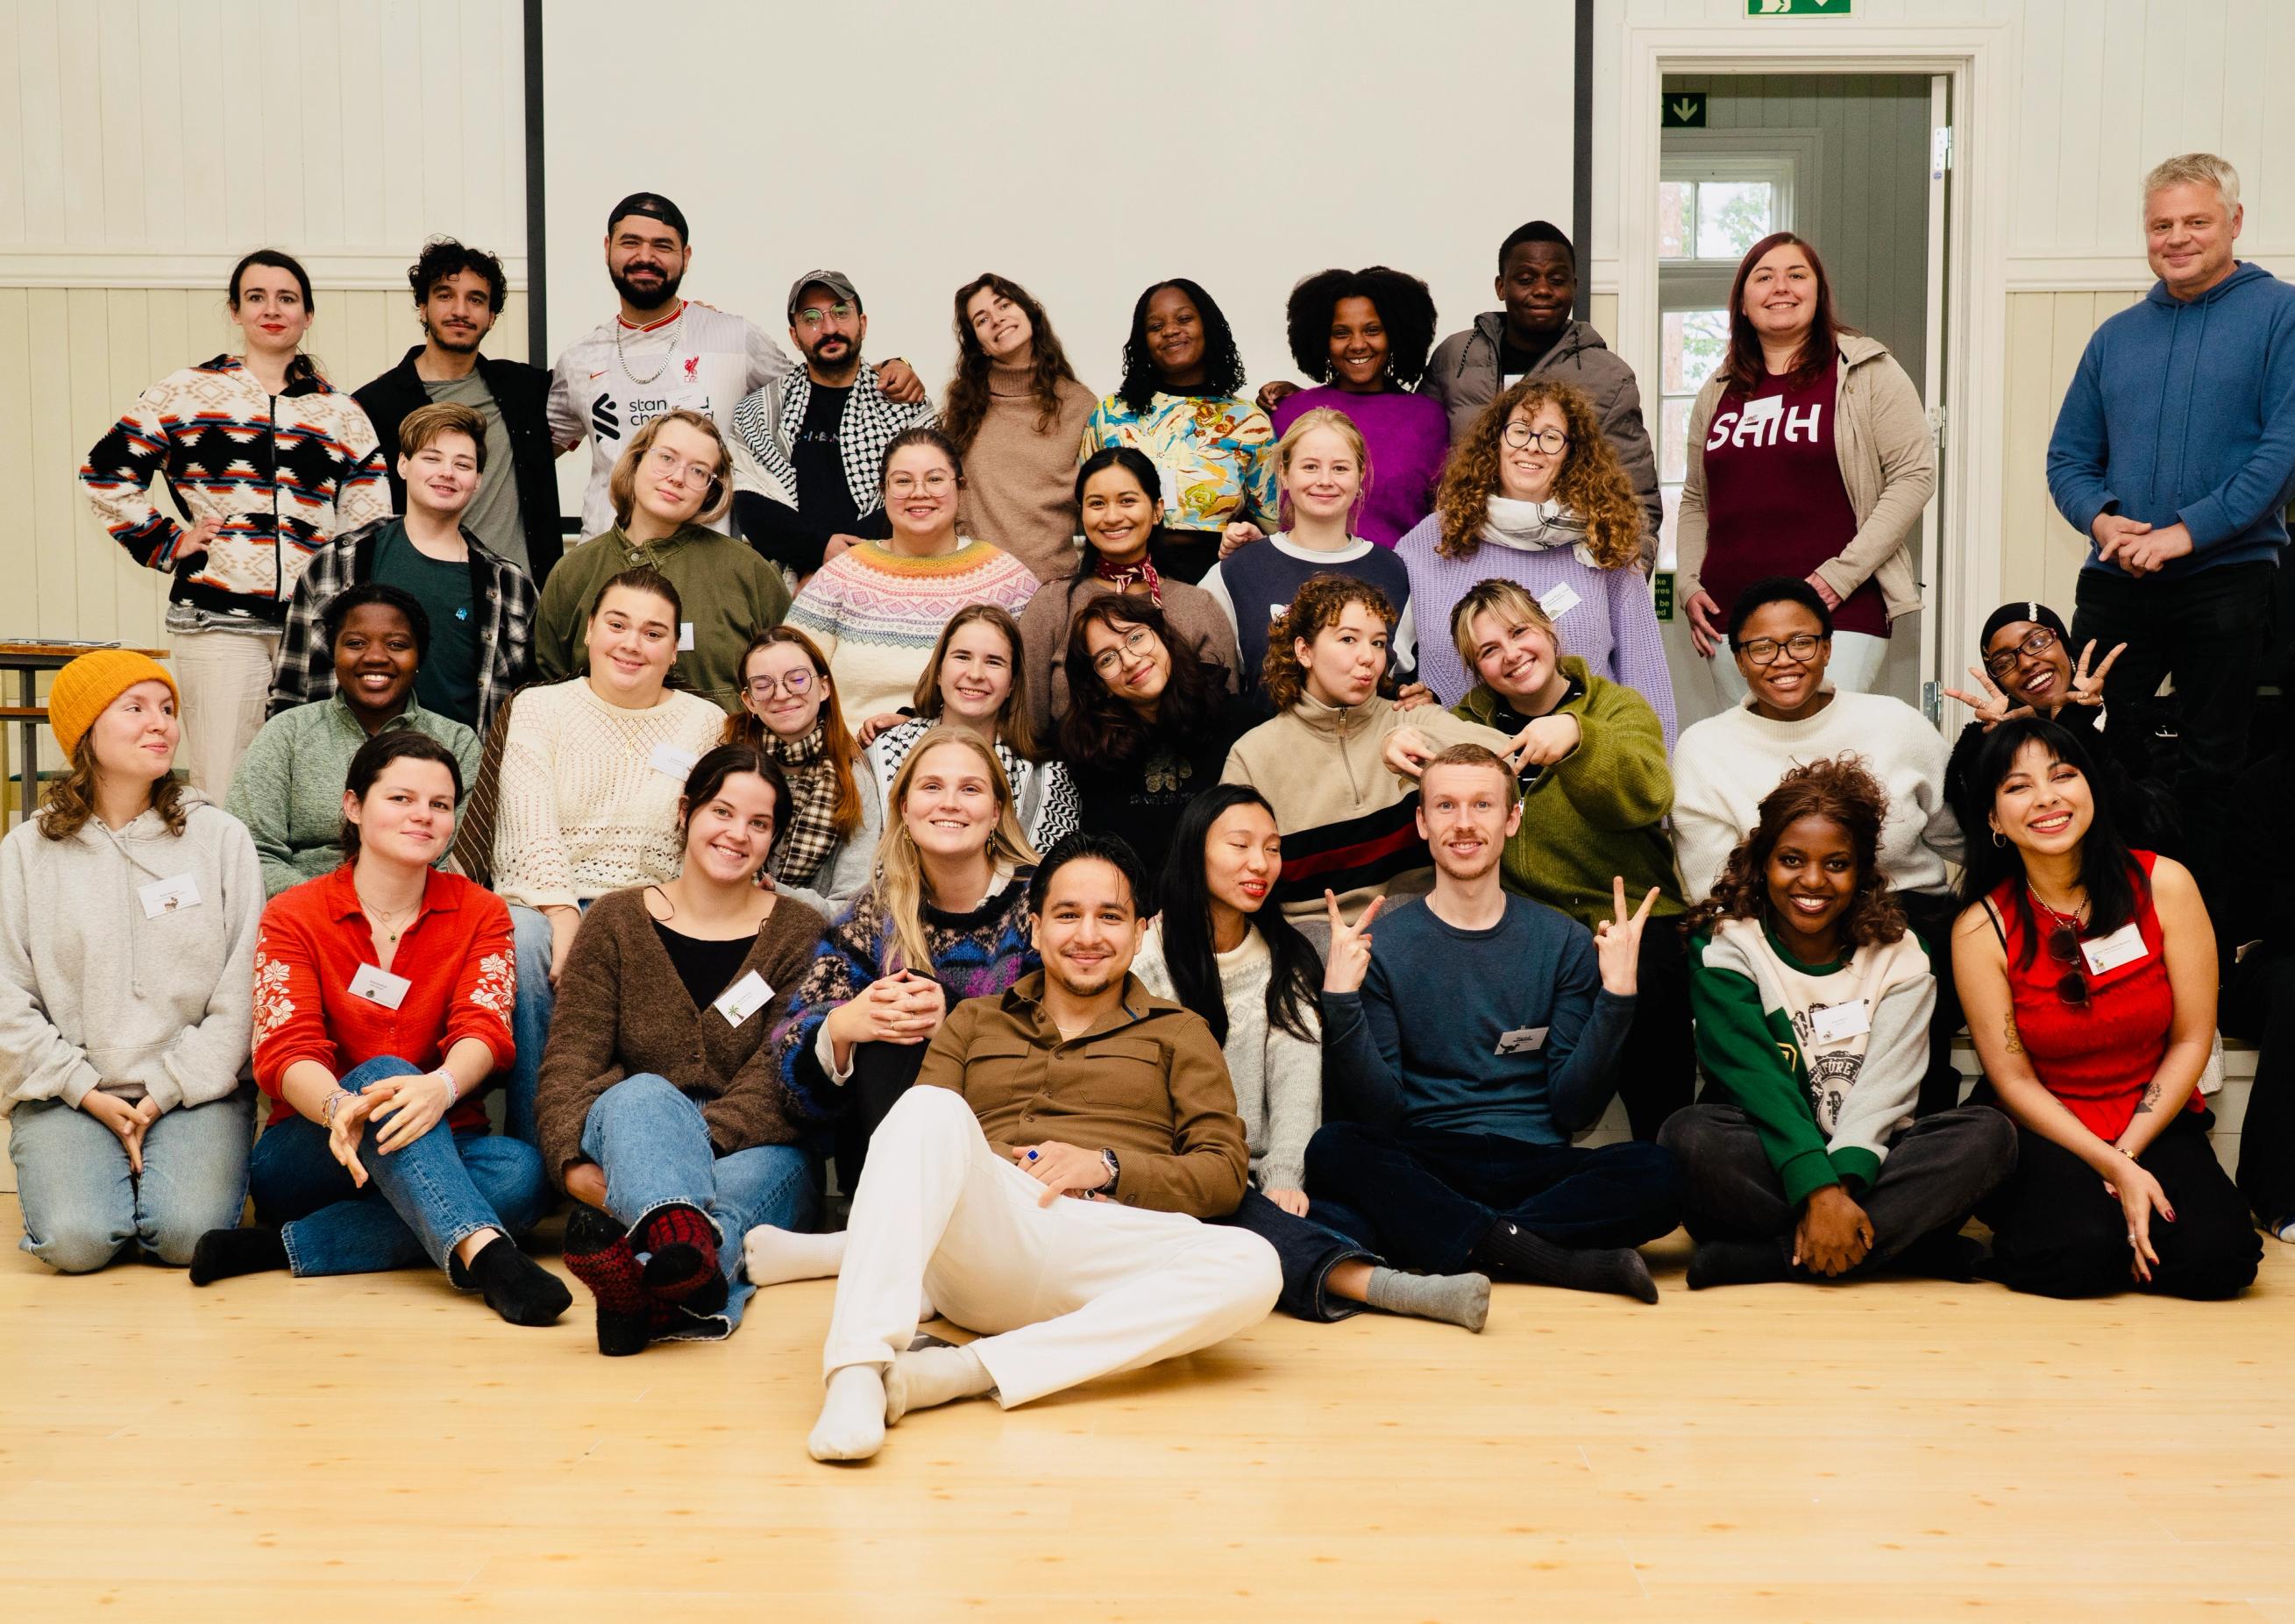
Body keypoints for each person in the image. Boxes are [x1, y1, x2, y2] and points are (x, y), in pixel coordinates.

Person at [792, 829, 1281, 1463]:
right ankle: (857, 1370)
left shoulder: (1182, 1031)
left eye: (1110, 916)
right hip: (989, 1237)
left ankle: (965, 1371)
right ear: (1036, 924)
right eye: (1067, 914)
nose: (1087, 935)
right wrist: (999, 1165)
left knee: (1254, 1263)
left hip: (1108, 1248)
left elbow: (1221, 1172)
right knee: (928, 1105)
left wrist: (1107, 1166)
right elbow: (920, 1139)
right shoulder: (975, 1019)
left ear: (1140, 931)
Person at [190, 731, 569, 1327]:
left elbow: (486, 1029)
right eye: (401, 798)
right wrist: (341, 1105)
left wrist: (441, 1087)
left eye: (440, 804)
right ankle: (487, 1253)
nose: (423, 815)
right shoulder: (294, 912)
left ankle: (284, 1246)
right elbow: (284, 1048)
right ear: (353, 805)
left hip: (437, 1135)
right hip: (317, 1147)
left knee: (521, 1175)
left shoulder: (482, 912)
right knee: (388, 1077)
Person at [1306, 744, 1680, 1301]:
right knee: (1334, 1150)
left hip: (1535, 1159)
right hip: (1429, 1157)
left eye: (1482, 805)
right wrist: (1340, 998)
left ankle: (1472, 1240)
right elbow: (1381, 1112)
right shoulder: (1379, 947)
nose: (1463, 824)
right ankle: (1548, 1256)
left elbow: (1574, 1109)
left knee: (1660, 1172)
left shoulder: (1564, 942)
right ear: (1421, 822)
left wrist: (1619, 994)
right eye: (1446, 806)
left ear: (1512, 819)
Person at [2046, 153, 2295, 933]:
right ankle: (2101, 932)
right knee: (2084, 756)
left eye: (2196, 221)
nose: (2177, 237)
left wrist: (2189, 533)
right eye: (2162, 225)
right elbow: (2067, 460)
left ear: (2235, 224)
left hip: (2228, 579)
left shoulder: (2280, 315)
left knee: (2211, 769)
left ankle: (2202, 949)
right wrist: (2101, 518)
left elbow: (2281, 450)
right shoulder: (2115, 336)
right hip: (2117, 579)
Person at [1134, 787, 1490, 1330]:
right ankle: (1385, 1288)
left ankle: (1274, 1258)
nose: (1261, 864)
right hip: (1183, 1172)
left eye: (1273, 849)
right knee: (1227, 1220)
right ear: (1194, 851)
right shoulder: (1144, 958)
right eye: (1240, 845)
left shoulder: (1287, 958)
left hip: (1261, 1174)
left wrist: (1284, 1177)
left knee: (1350, 1222)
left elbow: (1297, 1080)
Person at [1660, 757, 2017, 1288]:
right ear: (1762, 862)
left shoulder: (1902, 954)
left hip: (1873, 1155)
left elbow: (1889, 1087)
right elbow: (1755, 1081)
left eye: (1836, 863)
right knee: (1688, 1137)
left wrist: (1840, 1186)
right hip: (1768, 1153)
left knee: (1990, 1134)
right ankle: (1902, 1245)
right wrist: (1816, 1190)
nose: (1812, 880)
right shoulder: (1727, 944)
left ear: (1863, 871)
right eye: (1791, 859)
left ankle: (1774, 1258)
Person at [1952, 716, 2262, 1299]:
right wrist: (2111, 1166)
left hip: (2151, 1115)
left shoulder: (2165, 883)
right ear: (1994, 818)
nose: (2046, 797)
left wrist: (2126, 1153)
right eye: (2017, 786)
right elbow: (2012, 1078)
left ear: (2091, 788)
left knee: (2219, 1259)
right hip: (2046, 1125)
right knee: (2081, 1256)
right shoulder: (1980, 927)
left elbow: (2193, 1039)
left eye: (2063, 775)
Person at [537, 744, 828, 1352]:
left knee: (745, 1186)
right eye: (722, 811)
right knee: (645, 1093)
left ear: (775, 838)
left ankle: (638, 1291)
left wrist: (668, 1163)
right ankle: (677, 1273)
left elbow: (782, 1075)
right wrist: (583, 1168)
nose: (737, 834)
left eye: (759, 822)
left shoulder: (799, 932)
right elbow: (570, 1064)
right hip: (629, 1131)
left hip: (759, 1151)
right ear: (686, 811)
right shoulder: (615, 921)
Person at [80, 249, 386, 793]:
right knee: (225, 787)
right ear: (235, 310)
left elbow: (369, 526)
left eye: (287, 298)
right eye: (257, 297)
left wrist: (349, 609)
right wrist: (170, 542)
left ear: (307, 315)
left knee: (317, 788)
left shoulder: (343, 415)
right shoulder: (186, 392)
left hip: (313, 628)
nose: (273, 309)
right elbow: (106, 472)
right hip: (217, 621)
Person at [0, 653, 262, 1273]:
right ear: (87, 729)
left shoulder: (222, 838)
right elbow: (6, 991)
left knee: (183, 1236)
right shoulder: (25, 851)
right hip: (69, 1089)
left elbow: (243, 987)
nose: (162, 724)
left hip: (195, 1090)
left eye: (168, 709)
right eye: (136, 708)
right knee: (77, 1242)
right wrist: (84, 1089)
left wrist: (166, 1090)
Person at [1671, 578, 1965, 1115]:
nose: (1783, 659)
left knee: (1924, 1035)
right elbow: (1712, 889)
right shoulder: (1704, 748)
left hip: (1909, 921)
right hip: (1777, 931)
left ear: (1828, 647)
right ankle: (1782, 1144)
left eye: (1801, 642)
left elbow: (1962, 839)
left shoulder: (1894, 723)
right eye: (1761, 646)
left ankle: (1909, 1148)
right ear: (1737, 659)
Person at [1440, 580, 1688, 1141]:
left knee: (1650, 993)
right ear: (1477, 669)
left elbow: (1649, 793)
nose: (1511, 654)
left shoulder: (1615, 705)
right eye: (1488, 650)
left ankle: (1667, 1170)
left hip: (1629, 915)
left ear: (1550, 632)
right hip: (1529, 925)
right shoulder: (1467, 728)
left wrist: (1580, 736)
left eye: (1520, 631)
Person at [489, 568, 728, 1146]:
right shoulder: (539, 707)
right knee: (523, 943)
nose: (631, 643)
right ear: (591, 630)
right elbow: (527, 819)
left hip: (654, 902)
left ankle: (637, 1144)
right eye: (617, 624)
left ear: (674, 649)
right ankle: (541, 1141)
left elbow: (703, 835)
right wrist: (566, 914)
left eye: (653, 632)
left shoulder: (706, 722)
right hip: (548, 902)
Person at [547, 194, 913, 540]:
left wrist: (886, 367)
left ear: (686, 257)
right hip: (607, 559)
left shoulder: (735, 338)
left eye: (662, 246)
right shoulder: (579, 359)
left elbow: (814, 386)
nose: (646, 256)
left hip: (710, 563)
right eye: (630, 242)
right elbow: (533, 451)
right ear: (608, 248)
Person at [772, 729, 1041, 1192]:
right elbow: (791, 1074)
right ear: (904, 807)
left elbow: (1067, 1038)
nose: (950, 803)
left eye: (970, 789)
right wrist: (841, 1028)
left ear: (996, 812)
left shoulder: (1042, 904)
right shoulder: (873, 912)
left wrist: (955, 1025)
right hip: (886, 1152)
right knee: (895, 1000)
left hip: (1008, 1142)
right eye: (932, 786)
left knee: (910, 998)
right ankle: (898, 1214)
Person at [1677, 231, 1936, 700]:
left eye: (1797, 275)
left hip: (1838, 609)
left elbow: (1915, 475)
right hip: (1731, 618)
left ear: (1818, 293)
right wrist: (1689, 584)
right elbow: (1695, 498)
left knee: (1826, 764)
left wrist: (1840, 577)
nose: (1781, 287)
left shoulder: (1865, 370)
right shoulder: (1717, 389)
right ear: (1741, 302)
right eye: (1764, 277)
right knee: (1754, 763)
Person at [1221, 575, 1530, 934]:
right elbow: (1231, 869)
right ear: (1304, 650)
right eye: (1348, 639)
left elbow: (1510, 761)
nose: (1368, 657)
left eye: (1379, 643)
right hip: (1307, 939)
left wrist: (1415, 738)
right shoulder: (1253, 756)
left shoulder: (1410, 715)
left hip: (1417, 929)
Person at [1396, 378, 1674, 741]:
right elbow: (1380, 658)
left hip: (1584, 769)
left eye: (1551, 437)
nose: (1532, 447)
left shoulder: (1603, 542)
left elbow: (1646, 678)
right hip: (1464, 773)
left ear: (1571, 453)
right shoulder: (1434, 539)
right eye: (1520, 431)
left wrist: (1655, 780)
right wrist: (1400, 696)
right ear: (1496, 440)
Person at [268, 401, 539, 735]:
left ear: (478, 480)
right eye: (432, 458)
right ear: (403, 465)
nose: (447, 473)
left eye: (463, 464)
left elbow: (530, 708)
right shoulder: (337, 563)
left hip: (462, 773)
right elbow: (290, 694)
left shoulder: (510, 586)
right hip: (350, 769)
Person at [532, 408, 791, 714]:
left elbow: (792, 678)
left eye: (698, 471)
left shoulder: (747, 571)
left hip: (726, 756)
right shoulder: (575, 572)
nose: (677, 478)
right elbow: (550, 693)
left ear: (711, 492)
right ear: (637, 460)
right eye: (666, 458)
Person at [230, 583, 480, 897]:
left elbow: (462, 858)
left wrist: (401, 912)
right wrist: (330, 908)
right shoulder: (288, 733)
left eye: (397, 644)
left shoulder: (456, 742)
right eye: (356, 643)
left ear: (419, 656)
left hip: (422, 919)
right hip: (304, 918)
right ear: (333, 652)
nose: (376, 657)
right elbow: (251, 849)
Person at [1420, 221, 1660, 543]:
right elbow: (1421, 470)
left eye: (1557, 280)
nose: (1543, 289)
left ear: (1574, 286)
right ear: (1501, 287)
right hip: (1464, 554)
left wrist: (1621, 586)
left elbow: (1637, 499)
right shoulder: (1455, 357)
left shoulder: (1609, 377)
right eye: (1526, 278)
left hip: (1562, 566)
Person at [785, 427, 1040, 720]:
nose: (919, 493)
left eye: (935, 479)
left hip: (966, 753)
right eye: (903, 481)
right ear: (883, 491)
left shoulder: (1007, 579)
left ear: (960, 487)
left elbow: (1032, 692)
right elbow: (791, 675)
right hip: (850, 757)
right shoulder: (841, 575)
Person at [352, 237, 562, 579]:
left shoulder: (524, 389)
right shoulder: (377, 405)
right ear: (423, 307)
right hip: (424, 594)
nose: (461, 311)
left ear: (492, 316)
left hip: (523, 600)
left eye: (475, 299)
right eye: (445, 296)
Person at [1015, 447, 1241, 737]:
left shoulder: (1199, 606)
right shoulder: (1053, 606)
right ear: (1081, 513)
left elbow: (1227, 720)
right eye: (1097, 503)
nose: (1111, 516)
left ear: (1158, 510)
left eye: (1127, 501)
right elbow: (1027, 724)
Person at [731, 270, 936, 578]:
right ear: (794, 336)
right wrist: (820, 550)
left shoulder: (905, 405)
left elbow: (921, 496)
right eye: (811, 318)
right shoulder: (760, 411)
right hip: (790, 586)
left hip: (890, 577)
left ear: (862, 324)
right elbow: (752, 505)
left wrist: (847, 562)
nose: (829, 328)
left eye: (841, 312)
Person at [1201, 409, 1418, 694]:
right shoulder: (1235, 572)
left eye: (1340, 468)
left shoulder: (1394, 572)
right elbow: (1211, 689)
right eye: (1310, 467)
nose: (1325, 480)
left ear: (1360, 475)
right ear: (1284, 473)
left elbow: (1402, 689)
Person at [1058, 595, 1262, 890]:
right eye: (1107, 658)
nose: (1129, 660)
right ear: (1100, 685)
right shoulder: (1090, 753)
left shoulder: (1240, 723)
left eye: (1136, 638)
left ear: (1163, 636)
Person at [1080, 280, 1275, 583]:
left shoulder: (1248, 420)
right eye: (1156, 326)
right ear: (1143, 341)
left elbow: (1277, 527)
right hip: (1123, 581)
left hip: (1219, 581)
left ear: (1207, 327)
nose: (1170, 331)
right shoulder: (1111, 414)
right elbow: (1085, 506)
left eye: (1184, 319)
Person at [1940, 601, 2171, 854]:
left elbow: (2160, 831)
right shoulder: (1997, 743)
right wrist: (1992, 748)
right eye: (2004, 663)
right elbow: (1984, 845)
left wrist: (2079, 730)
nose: (2026, 663)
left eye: (2037, 642)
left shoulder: (2145, 726)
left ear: (2065, 647)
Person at [1247, 267, 1449, 548]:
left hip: (1398, 579)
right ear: (1321, 341)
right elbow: (1265, 507)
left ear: (1396, 335)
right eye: (1341, 333)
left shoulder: (1428, 418)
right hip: (1301, 577)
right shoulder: (1289, 413)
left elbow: (1440, 515)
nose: (1357, 344)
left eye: (1372, 330)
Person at [856, 605, 1079, 855]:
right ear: (939, 671)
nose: (975, 674)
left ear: (1012, 684)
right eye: (962, 657)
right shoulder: (883, 754)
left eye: (994, 662)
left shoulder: (1048, 780)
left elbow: (1057, 880)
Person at [942, 273, 1100, 584]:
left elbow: (1098, 498)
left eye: (1003, 305)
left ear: (1030, 312)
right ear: (981, 345)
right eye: (982, 319)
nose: (997, 320)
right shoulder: (963, 403)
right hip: (974, 583)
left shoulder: (1079, 404)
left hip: (1052, 586)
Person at [722, 628, 873, 913]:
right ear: (749, 701)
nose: (781, 694)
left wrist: (777, 897)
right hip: (721, 922)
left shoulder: (854, 779)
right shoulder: (725, 764)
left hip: (811, 940)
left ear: (825, 687)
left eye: (798, 679)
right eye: (763, 685)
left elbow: (854, 906)